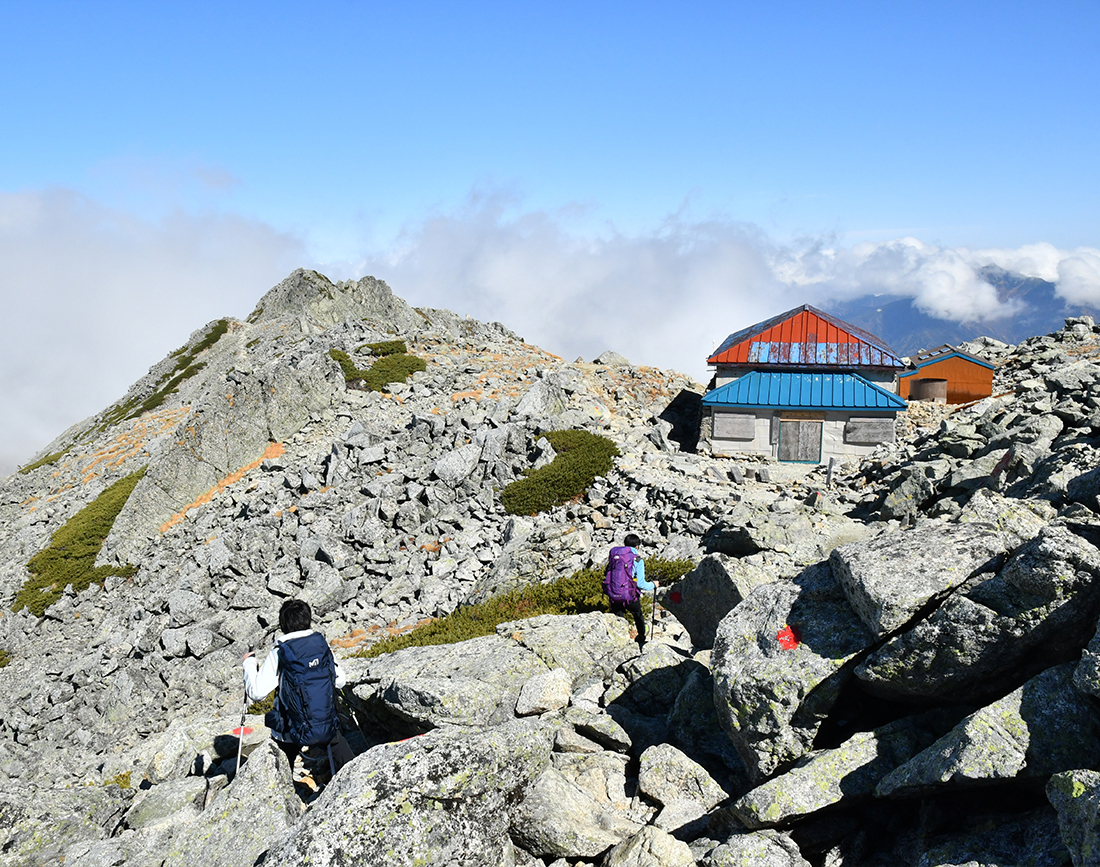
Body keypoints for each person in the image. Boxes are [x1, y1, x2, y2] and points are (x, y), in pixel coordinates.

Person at [243, 599, 354, 781]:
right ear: (308, 619)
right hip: (326, 721)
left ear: (283, 624)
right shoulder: (320, 645)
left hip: (290, 728)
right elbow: (340, 681)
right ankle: (357, 781)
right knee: (338, 744)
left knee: (283, 761)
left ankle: (283, 796)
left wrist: (249, 664)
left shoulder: (280, 652)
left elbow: (256, 693)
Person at [605, 533, 657, 647]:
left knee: (618, 620)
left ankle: (618, 643)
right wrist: (653, 584)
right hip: (630, 595)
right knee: (638, 615)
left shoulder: (615, 557)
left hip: (614, 595)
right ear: (637, 546)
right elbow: (641, 583)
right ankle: (641, 638)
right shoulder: (637, 560)